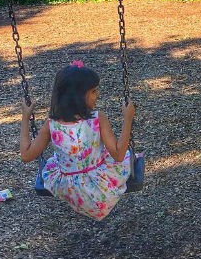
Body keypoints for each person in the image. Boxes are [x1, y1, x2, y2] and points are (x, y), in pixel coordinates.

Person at [20, 61, 135, 220]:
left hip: (68, 188)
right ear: (79, 96)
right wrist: (128, 119)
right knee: (128, 159)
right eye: (94, 91)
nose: (98, 95)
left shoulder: (51, 124)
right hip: (99, 188)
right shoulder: (97, 119)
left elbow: (26, 155)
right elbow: (118, 155)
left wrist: (25, 118)